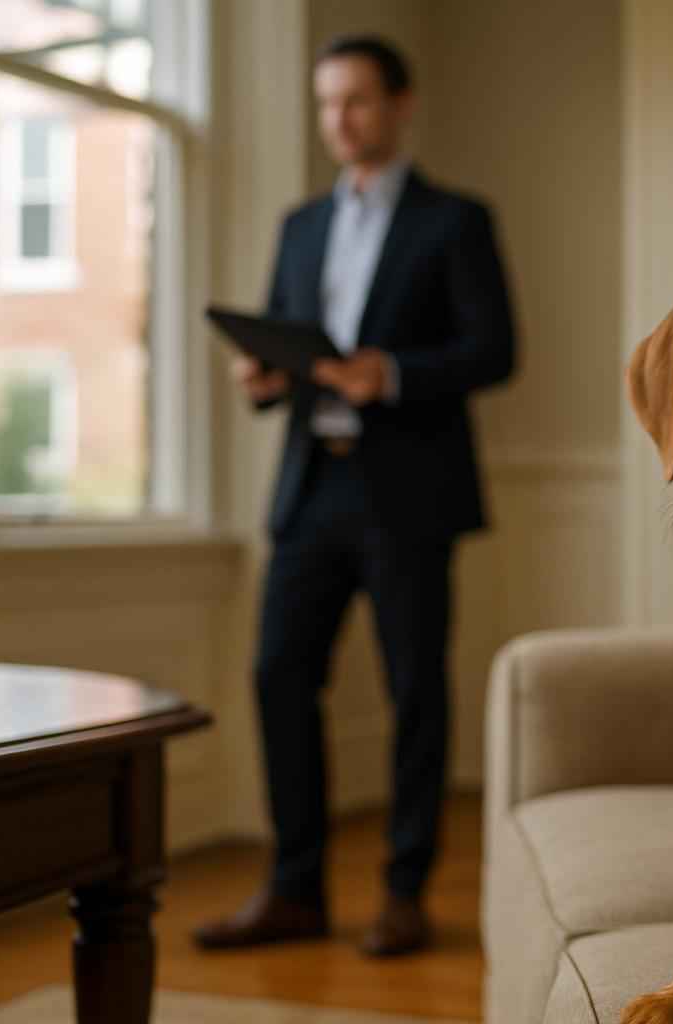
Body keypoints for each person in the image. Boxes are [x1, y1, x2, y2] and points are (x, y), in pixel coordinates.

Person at [194, 34, 516, 957]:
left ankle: (405, 891)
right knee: (277, 678)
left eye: (358, 101)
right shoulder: (299, 225)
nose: (340, 119)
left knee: (415, 690)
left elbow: (495, 350)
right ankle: (294, 889)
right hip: (308, 491)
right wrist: (268, 379)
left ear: (401, 103)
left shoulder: (456, 220)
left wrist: (395, 374)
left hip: (407, 493)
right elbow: (296, 349)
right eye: (327, 103)